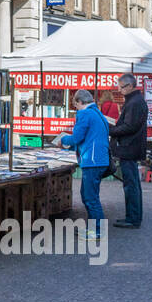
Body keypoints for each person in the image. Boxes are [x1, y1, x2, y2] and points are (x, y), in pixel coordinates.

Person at [58, 90, 110, 240]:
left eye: (75, 105)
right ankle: (92, 229)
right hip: (99, 159)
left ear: (80, 102)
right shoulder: (98, 114)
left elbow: (77, 137)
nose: (76, 109)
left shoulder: (85, 114)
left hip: (92, 161)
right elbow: (89, 137)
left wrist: (63, 141)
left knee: (90, 197)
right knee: (90, 195)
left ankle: (97, 231)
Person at [107, 74, 148, 229]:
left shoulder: (135, 103)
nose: (119, 90)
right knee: (133, 184)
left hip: (129, 148)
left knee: (131, 184)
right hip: (130, 147)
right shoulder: (134, 101)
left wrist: (111, 130)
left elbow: (130, 127)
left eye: (122, 87)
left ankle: (133, 218)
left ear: (130, 86)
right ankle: (133, 216)